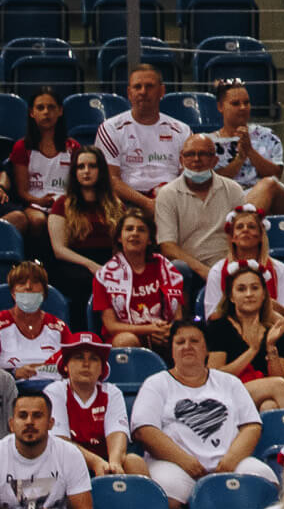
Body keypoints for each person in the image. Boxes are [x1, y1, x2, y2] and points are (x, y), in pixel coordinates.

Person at [129, 322, 279, 507]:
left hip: (230, 462)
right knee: (168, 496)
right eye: (180, 342)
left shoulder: (229, 382)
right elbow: (144, 430)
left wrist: (230, 461)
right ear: (172, 350)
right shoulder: (155, 384)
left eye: (194, 341)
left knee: (265, 481)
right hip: (175, 464)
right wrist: (186, 462)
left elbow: (251, 426)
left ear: (207, 349)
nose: (187, 346)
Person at [154, 136, 284, 285]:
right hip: (191, 269)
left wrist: (230, 269)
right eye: (189, 154)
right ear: (181, 160)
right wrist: (206, 272)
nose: (196, 159)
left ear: (215, 160)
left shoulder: (233, 189)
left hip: (228, 267)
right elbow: (168, 247)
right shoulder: (167, 194)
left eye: (203, 154)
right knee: (178, 267)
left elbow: (242, 234)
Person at [98, 62, 194, 214]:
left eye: (149, 86)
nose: (143, 92)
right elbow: (112, 180)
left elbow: (188, 175)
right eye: (137, 87)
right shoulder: (110, 128)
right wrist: (147, 203)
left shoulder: (182, 130)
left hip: (172, 200)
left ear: (162, 91)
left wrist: (165, 201)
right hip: (127, 202)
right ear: (129, 93)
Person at [203, 261, 284, 412]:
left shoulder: (275, 332)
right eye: (241, 289)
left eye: (255, 288)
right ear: (231, 297)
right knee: (277, 385)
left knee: (270, 406)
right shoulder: (219, 327)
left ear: (264, 294)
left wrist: (271, 347)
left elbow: (283, 380)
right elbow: (215, 377)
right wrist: (252, 350)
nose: (249, 294)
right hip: (225, 395)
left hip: (262, 395)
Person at [49, 335, 149, 481]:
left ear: (102, 368)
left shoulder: (112, 392)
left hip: (105, 461)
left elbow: (117, 434)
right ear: (66, 365)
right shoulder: (55, 391)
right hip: (68, 461)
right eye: (79, 357)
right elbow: (60, 442)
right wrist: (95, 462)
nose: (86, 364)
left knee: (134, 461)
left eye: (94, 359)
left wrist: (114, 464)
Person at [0, 391, 97, 509]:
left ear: (50, 423)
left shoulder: (69, 453)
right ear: (11, 424)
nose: (29, 422)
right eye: (23, 416)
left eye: (37, 416)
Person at [90, 212, 183, 353]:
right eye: (129, 229)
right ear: (119, 238)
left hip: (163, 335)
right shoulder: (104, 276)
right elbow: (111, 326)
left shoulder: (165, 268)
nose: (135, 233)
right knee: (126, 340)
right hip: (127, 336)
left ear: (150, 239)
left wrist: (169, 330)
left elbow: (178, 316)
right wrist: (149, 330)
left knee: (185, 336)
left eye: (141, 230)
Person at [47, 150, 122, 321]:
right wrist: (91, 265)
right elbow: (59, 249)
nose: (86, 171)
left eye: (92, 166)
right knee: (88, 281)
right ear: (74, 172)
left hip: (107, 261)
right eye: (81, 167)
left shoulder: (115, 204)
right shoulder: (62, 204)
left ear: (101, 170)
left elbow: (120, 245)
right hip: (73, 263)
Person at [4, 96, 76, 252]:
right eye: (40, 108)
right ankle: (35, 260)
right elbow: (22, 192)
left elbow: (78, 185)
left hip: (66, 203)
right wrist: (39, 201)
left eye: (51, 107)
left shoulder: (73, 147)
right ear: (32, 112)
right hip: (34, 204)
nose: (46, 112)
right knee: (38, 220)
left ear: (60, 111)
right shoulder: (22, 147)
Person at [203, 205, 284, 319]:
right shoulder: (218, 270)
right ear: (232, 237)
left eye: (251, 227)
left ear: (261, 236)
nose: (245, 230)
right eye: (239, 227)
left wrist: (265, 303)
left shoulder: (279, 268)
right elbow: (212, 317)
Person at [211, 87, 284, 209]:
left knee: (270, 183)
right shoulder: (209, 143)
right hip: (225, 198)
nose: (243, 107)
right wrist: (240, 159)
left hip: (266, 197)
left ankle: (241, 216)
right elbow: (211, 182)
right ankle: (242, 217)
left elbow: (276, 174)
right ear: (220, 107)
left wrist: (250, 151)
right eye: (235, 103)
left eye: (246, 103)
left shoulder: (267, 136)